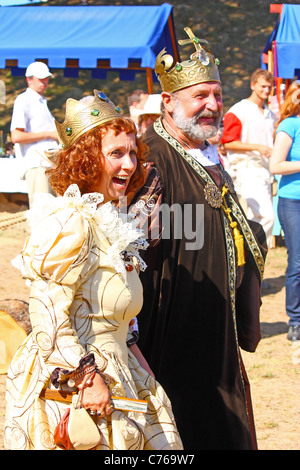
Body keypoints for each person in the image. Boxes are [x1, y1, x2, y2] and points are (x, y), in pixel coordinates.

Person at [4, 90, 183, 451]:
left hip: (120, 370)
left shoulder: (111, 220)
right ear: (86, 161)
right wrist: (87, 377)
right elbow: (48, 314)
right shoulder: (70, 222)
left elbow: (114, 317)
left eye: (133, 152)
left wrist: (141, 366)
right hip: (77, 382)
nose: (130, 165)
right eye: (116, 153)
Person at [132, 27, 267, 450]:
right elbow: (135, 245)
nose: (212, 105)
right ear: (168, 102)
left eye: (217, 94)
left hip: (215, 324)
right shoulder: (151, 156)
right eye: (200, 96)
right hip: (171, 329)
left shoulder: (207, 153)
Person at [221, 68, 277, 246]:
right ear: (253, 85)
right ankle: (252, 254)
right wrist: (257, 147)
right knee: (267, 217)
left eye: (269, 87)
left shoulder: (270, 114)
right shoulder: (239, 110)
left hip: (266, 170)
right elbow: (228, 142)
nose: (266, 91)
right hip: (247, 169)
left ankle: (251, 265)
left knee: (255, 220)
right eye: (262, 86)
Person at [269, 80, 300, 342]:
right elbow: (275, 165)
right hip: (294, 202)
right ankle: (296, 321)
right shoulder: (290, 125)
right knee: (298, 262)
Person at [10, 61, 59, 207]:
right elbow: (16, 136)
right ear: (29, 79)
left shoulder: (41, 101)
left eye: (46, 78)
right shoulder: (23, 100)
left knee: (50, 214)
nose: (45, 82)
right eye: (40, 78)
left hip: (47, 164)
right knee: (42, 213)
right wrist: (50, 134)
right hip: (36, 164)